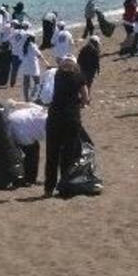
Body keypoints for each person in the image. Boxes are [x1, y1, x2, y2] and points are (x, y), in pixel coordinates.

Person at [44, 56, 89, 196]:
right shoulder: (79, 77)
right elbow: (86, 98)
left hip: (54, 118)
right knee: (68, 155)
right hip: (71, 119)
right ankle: (64, 188)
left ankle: (48, 189)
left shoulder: (55, 75)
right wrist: (80, 103)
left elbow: (46, 95)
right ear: (75, 66)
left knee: (52, 155)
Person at [6, 100, 47, 187]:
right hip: (21, 128)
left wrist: (16, 103)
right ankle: (28, 179)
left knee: (33, 148)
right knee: (31, 151)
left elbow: (29, 104)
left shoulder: (43, 109)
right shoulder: (52, 125)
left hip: (13, 116)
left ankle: (30, 178)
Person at [19, 33, 48, 103]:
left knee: (26, 83)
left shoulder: (23, 45)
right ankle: (34, 96)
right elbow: (39, 55)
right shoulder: (33, 45)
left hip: (25, 65)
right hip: (33, 65)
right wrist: (46, 62)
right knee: (37, 82)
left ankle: (26, 99)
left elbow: (20, 56)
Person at [8, 21, 26, 87]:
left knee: (14, 69)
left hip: (14, 52)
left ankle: (12, 83)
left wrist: (13, 44)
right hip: (22, 53)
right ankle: (24, 82)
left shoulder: (14, 32)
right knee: (23, 68)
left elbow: (9, 40)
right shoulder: (25, 33)